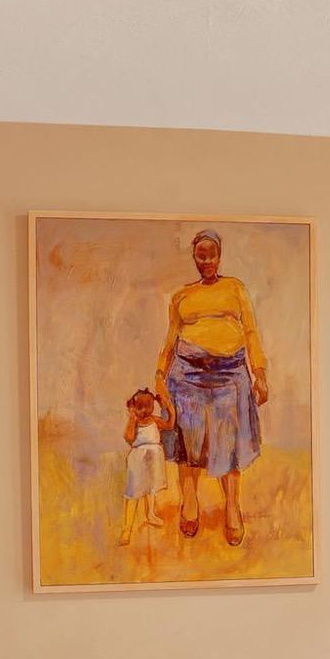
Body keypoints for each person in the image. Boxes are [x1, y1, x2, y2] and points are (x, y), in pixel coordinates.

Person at [155, 229, 267, 545]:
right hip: (186, 375)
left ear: (219, 256)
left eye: (211, 254)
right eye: (200, 255)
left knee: (229, 443)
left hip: (230, 374)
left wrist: (260, 373)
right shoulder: (182, 296)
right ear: (195, 257)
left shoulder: (235, 289)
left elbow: (251, 332)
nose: (206, 260)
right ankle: (189, 504)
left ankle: (232, 508)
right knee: (188, 443)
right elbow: (170, 338)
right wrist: (159, 375)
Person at [119, 387, 171, 544]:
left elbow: (169, 425)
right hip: (138, 459)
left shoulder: (154, 420)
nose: (143, 410)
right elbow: (128, 438)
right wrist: (131, 418)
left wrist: (169, 408)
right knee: (134, 492)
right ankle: (127, 529)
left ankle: (151, 514)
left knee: (151, 487)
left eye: (146, 406)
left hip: (154, 457)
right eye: (139, 407)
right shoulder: (135, 422)